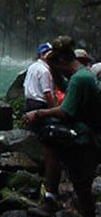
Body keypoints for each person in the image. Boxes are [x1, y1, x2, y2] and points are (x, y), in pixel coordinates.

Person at [23, 36, 101, 217]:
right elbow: (67, 87)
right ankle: (53, 196)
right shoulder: (80, 75)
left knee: (50, 136)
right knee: (82, 189)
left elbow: (66, 112)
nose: (58, 71)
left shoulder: (80, 79)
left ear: (64, 60)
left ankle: (52, 198)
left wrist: (38, 113)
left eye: (58, 66)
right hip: (88, 130)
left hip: (88, 137)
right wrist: (55, 70)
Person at [23, 42, 62, 214]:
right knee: (47, 141)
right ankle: (42, 174)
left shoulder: (32, 67)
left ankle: (31, 170)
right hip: (40, 105)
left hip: (28, 104)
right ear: (42, 55)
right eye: (47, 52)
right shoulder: (45, 70)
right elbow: (47, 93)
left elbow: (25, 87)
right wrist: (55, 111)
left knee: (34, 138)